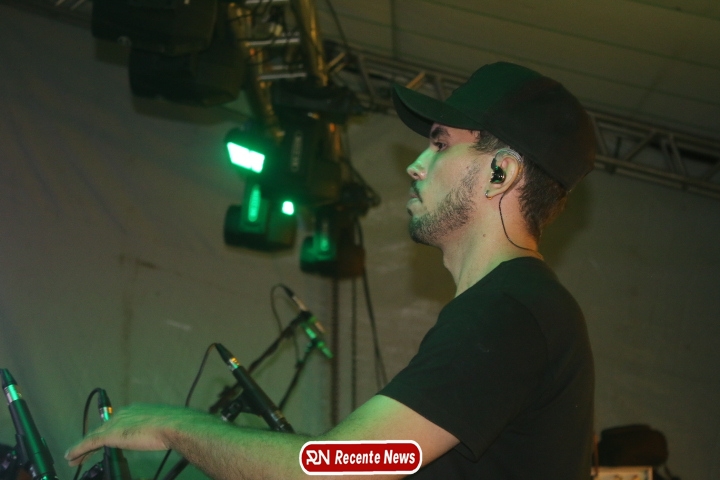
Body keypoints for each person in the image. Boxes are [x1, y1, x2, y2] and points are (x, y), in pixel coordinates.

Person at [66, 62, 596, 479]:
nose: (415, 165)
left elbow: (338, 468)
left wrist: (176, 426)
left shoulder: (509, 312)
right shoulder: (519, 307)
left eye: (439, 144)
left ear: (501, 172)